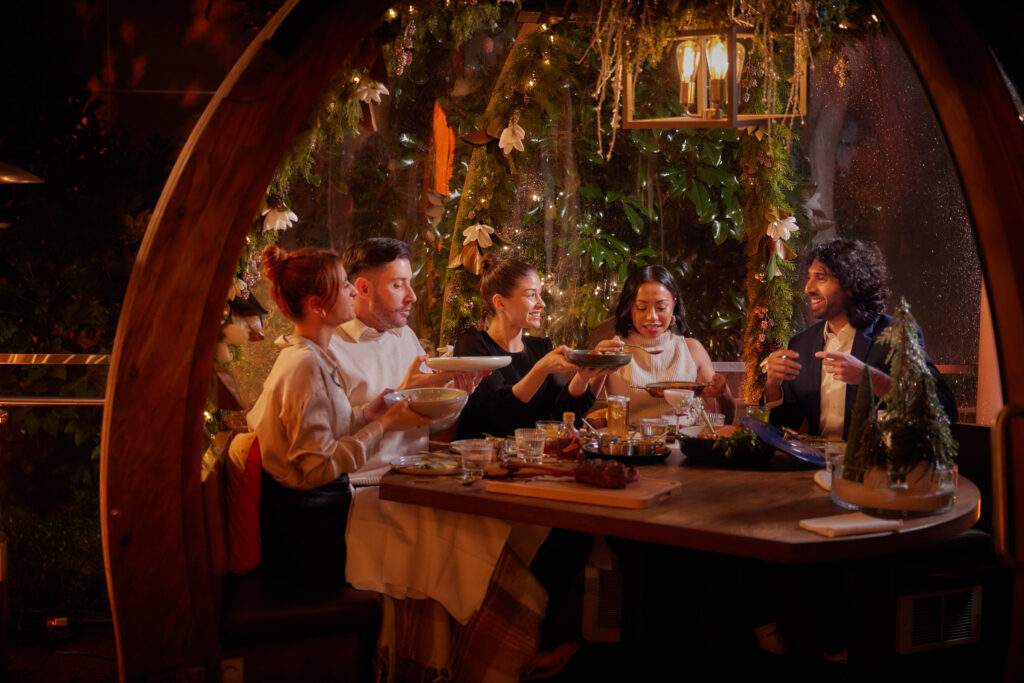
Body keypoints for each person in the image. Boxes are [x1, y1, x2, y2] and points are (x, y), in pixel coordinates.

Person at [245, 245, 430, 579]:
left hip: (326, 511)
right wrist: (385, 425)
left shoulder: (316, 355)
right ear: (317, 306)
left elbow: (325, 434)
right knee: (430, 547)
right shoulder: (303, 364)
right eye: (345, 285)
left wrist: (367, 416)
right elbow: (318, 468)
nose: (351, 291)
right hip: (311, 532)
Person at [763, 238, 957, 438]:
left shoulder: (897, 335)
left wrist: (872, 379)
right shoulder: (801, 345)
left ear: (851, 283)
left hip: (876, 466)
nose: (808, 288)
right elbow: (784, 426)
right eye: (809, 277)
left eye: (820, 277)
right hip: (816, 466)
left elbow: (944, 409)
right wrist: (772, 387)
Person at [330, 237, 485, 477]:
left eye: (409, 283)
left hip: (418, 474)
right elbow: (321, 441)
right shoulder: (329, 348)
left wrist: (455, 397)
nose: (412, 296)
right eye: (398, 285)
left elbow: (428, 424)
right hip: (364, 484)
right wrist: (401, 394)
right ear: (363, 289)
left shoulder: (404, 336)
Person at [454, 254, 617, 439]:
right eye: (531, 295)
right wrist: (540, 370)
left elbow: (563, 414)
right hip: (482, 461)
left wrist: (583, 376)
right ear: (500, 302)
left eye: (540, 294)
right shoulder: (472, 345)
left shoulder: (541, 348)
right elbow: (497, 416)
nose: (542, 303)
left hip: (533, 457)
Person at [601, 265, 735, 422]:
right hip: (631, 444)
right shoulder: (614, 351)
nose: (652, 316)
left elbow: (726, 418)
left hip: (685, 443)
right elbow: (579, 403)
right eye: (641, 307)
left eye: (661, 307)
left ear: (674, 303)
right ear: (630, 307)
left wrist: (722, 391)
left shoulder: (691, 349)